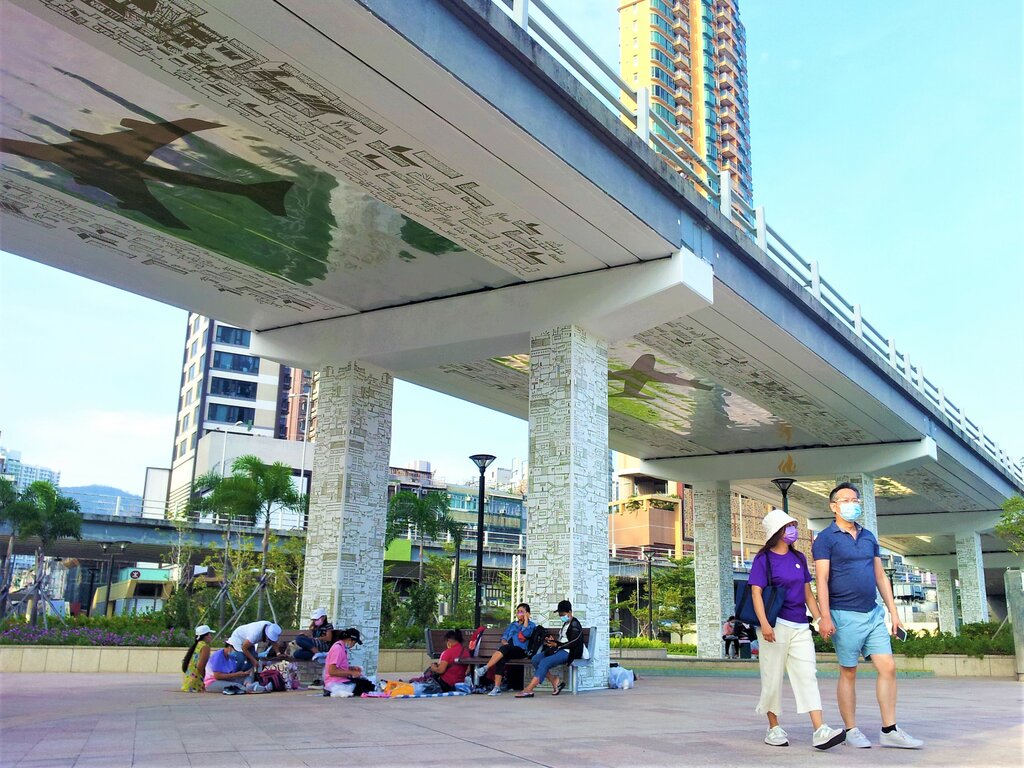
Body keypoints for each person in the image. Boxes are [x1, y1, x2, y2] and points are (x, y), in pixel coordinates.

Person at [813, 482, 924, 749]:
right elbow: (822, 579)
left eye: (856, 500)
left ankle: (889, 729)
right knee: (849, 671)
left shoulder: (869, 536)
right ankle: (851, 730)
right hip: (843, 614)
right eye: (846, 500)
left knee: (888, 667)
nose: (852, 504)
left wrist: (894, 613)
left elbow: (880, 575)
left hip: (873, 613)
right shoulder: (825, 539)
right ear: (834, 506)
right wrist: (824, 616)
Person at [749, 509, 845, 750]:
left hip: (800, 624)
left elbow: (807, 593)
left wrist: (820, 619)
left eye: (793, 525)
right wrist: (765, 623)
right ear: (777, 532)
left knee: (807, 674)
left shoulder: (799, 557)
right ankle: (773, 728)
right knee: (772, 677)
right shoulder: (764, 559)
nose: (793, 530)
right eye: (788, 526)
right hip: (775, 625)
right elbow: (756, 593)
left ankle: (820, 730)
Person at [515, 599, 583, 698]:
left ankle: (528, 689)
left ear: (569, 612)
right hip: (560, 649)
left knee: (544, 662)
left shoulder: (575, 625)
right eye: (560, 614)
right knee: (536, 659)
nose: (561, 616)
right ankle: (554, 680)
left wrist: (557, 645)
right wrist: (552, 641)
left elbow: (573, 642)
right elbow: (562, 640)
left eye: (562, 614)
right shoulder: (566, 624)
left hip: (569, 651)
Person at [473, 602, 536, 695]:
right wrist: (504, 641)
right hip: (508, 649)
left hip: (521, 650)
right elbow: (504, 636)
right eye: (518, 611)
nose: (519, 613)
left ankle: (485, 668)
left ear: (527, 613)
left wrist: (526, 619)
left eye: (522, 611)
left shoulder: (531, 625)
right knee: (501, 658)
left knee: (504, 649)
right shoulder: (512, 625)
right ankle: (496, 688)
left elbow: (526, 634)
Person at [323, 627, 375, 697]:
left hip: (340, 681)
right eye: (354, 643)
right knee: (366, 687)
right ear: (350, 640)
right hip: (334, 683)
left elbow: (339, 667)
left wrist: (351, 668)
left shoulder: (342, 648)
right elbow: (332, 671)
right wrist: (351, 673)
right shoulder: (338, 649)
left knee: (366, 683)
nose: (353, 645)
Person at [181, 624, 213, 692]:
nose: (211, 637)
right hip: (197, 685)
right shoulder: (205, 647)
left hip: (188, 684)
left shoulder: (196, 646)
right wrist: (206, 680)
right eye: (210, 634)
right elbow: (200, 667)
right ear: (205, 636)